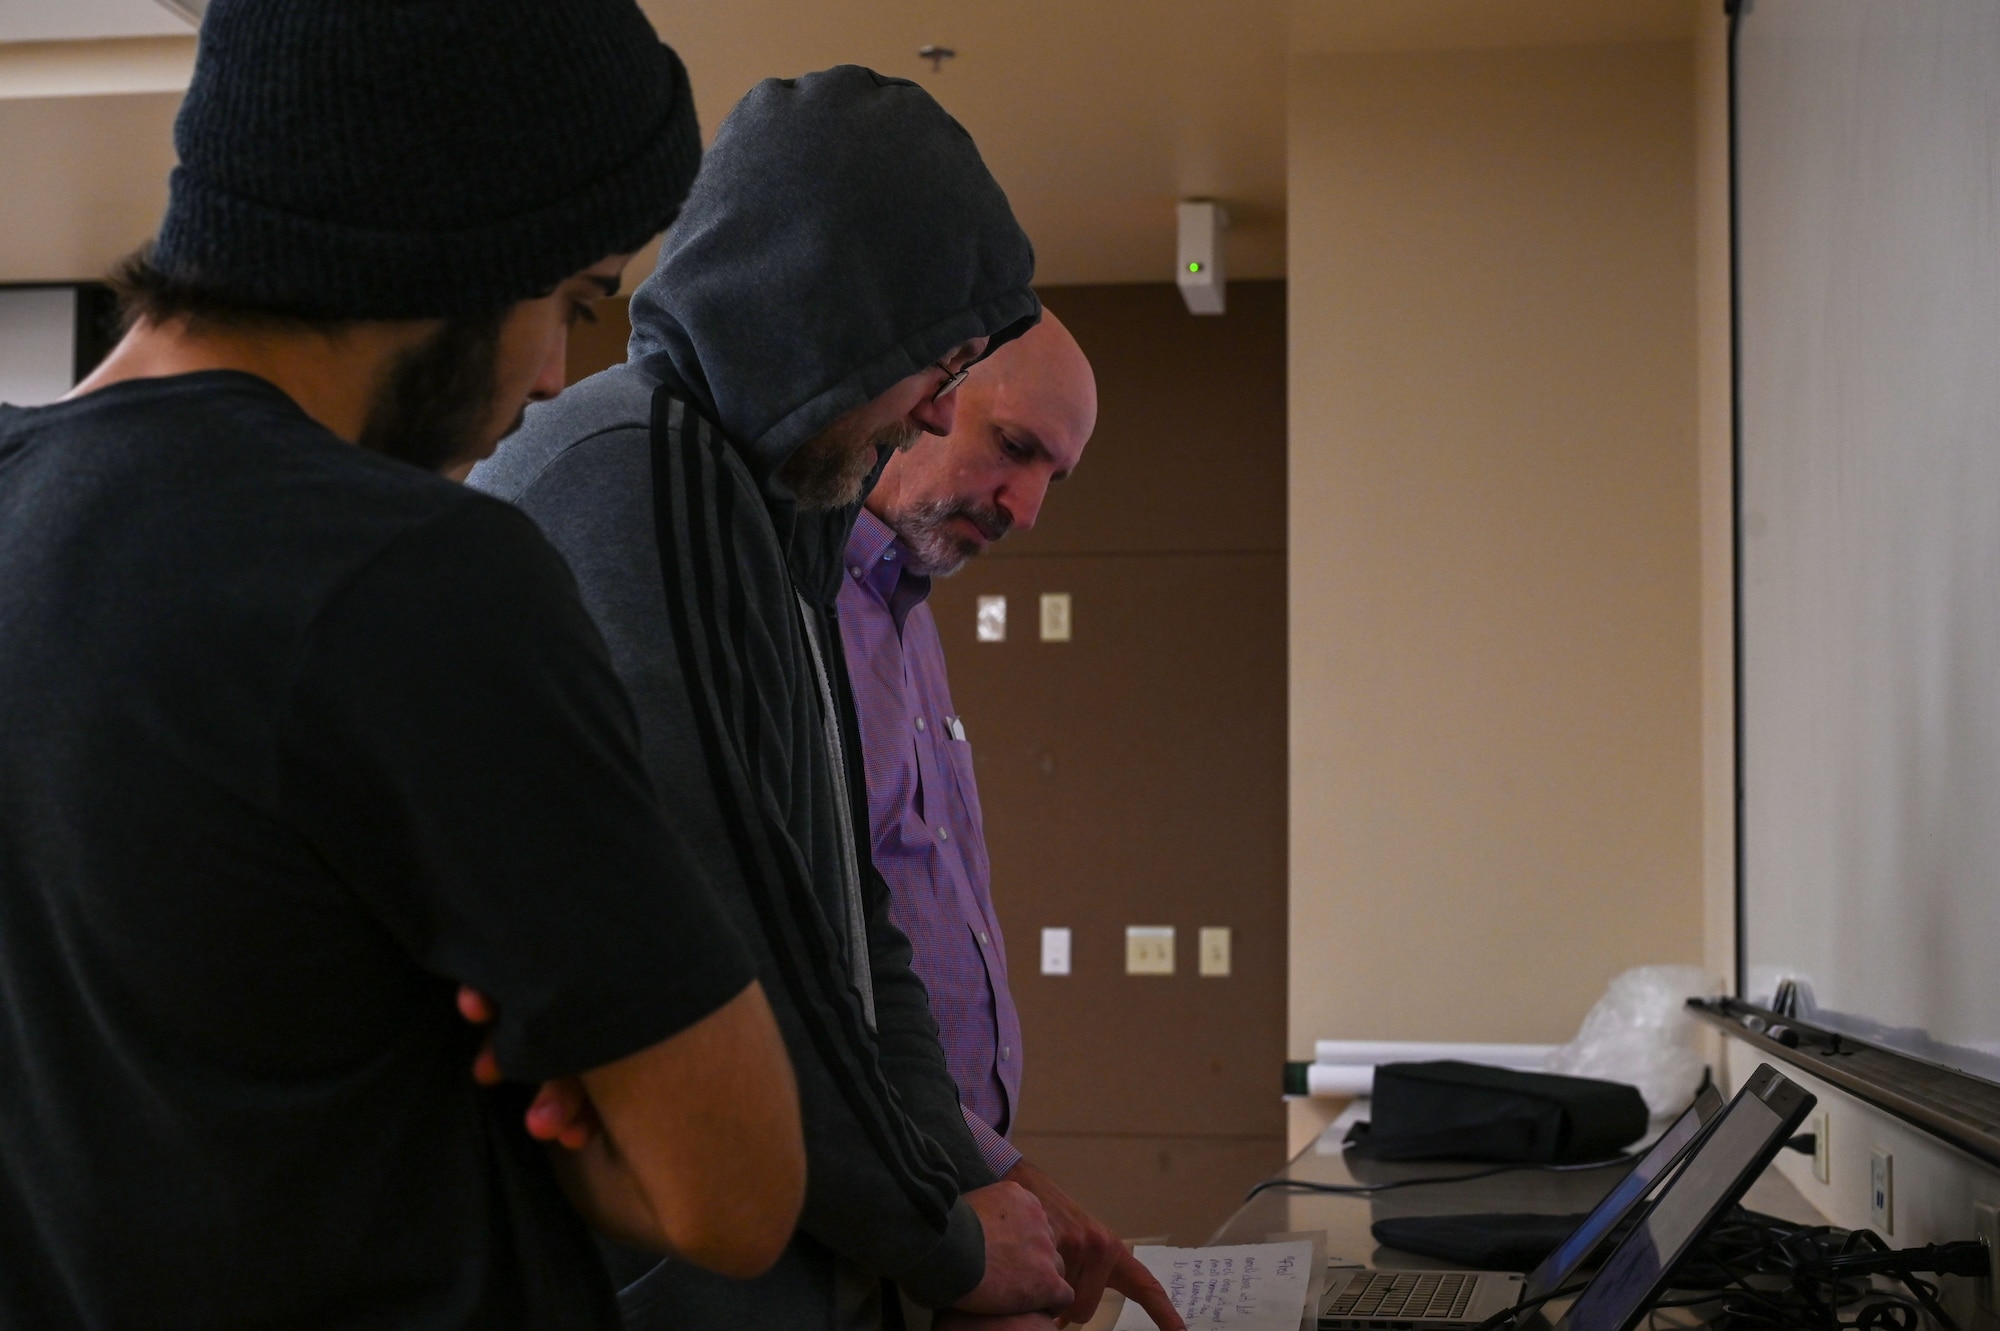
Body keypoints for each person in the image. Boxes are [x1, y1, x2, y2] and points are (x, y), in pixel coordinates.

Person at [0, 2, 805, 1326]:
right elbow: (729, 1192)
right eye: (570, 298)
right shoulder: (413, 573)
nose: (553, 374)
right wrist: (550, 1107)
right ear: (462, 241)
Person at [469, 66, 1073, 1331]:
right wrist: (951, 1244)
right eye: (936, 364)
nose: (939, 412)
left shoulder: (766, 512)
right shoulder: (636, 478)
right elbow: (737, 957)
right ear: (831, 313)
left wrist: (970, 1178)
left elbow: (848, 931)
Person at [840, 312, 1183, 1331]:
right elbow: (819, 959)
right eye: (1015, 447)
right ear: (928, 396)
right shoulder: (797, 614)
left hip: (952, 1183)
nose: (1026, 507)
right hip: (880, 1196)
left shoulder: (909, 610)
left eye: (1054, 477)